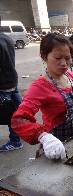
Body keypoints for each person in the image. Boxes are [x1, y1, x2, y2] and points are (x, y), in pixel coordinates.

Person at [11, 33, 73, 160]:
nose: (64, 63)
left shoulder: (71, 76)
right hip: (54, 146)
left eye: (67, 58)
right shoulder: (39, 87)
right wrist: (43, 137)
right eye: (58, 58)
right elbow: (19, 120)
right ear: (44, 56)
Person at [0, 24, 23, 152]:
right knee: (19, 111)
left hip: (3, 85)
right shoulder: (7, 38)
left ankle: (15, 141)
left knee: (9, 115)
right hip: (12, 81)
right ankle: (24, 132)